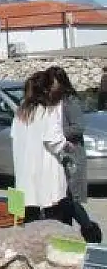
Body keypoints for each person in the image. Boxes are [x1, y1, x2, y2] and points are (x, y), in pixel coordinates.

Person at [49, 66, 102, 242]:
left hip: (72, 156)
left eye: (53, 82)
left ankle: (89, 230)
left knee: (69, 199)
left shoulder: (70, 100)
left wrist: (57, 133)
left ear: (60, 82)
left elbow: (78, 127)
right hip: (59, 156)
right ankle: (68, 236)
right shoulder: (52, 101)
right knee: (62, 200)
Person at [12, 71, 73, 223]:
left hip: (24, 170)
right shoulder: (47, 111)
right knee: (52, 214)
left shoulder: (21, 112)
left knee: (29, 214)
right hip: (45, 171)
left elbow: (14, 137)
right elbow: (52, 139)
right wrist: (66, 145)